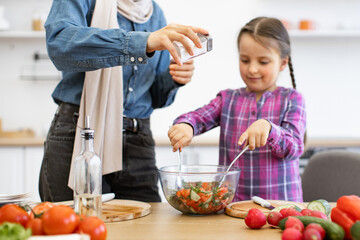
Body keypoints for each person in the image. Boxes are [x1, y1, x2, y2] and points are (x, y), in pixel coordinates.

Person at [39, 0, 208, 203]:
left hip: (138, 141)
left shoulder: (155, 14)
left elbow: (156, 97)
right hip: (80, 133)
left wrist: (174, 78)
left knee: (144, 230)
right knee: (77, 229)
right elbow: (60, 44)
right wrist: (143, 42)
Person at [168, 17, 306, 202]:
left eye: (263, 62)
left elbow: (294, 147)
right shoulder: (228, 99)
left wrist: (270, 130)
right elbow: (197, 118)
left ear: (282, 63)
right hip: (232, 206)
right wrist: (186, 126)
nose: (253, 69)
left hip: (281, 207)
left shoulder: (291, 99)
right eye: (245, 60)